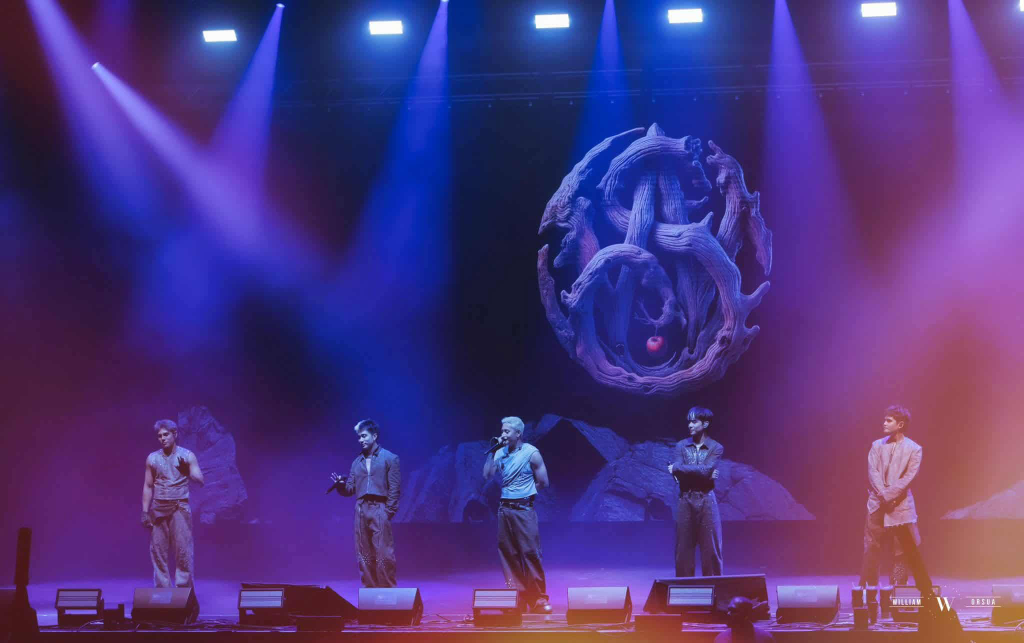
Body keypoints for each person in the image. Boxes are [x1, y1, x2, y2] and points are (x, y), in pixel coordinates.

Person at [859, 405, 934, 597]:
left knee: (902, 551)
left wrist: (890, 496)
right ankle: (869, 593)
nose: (884, 423)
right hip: (877, 504)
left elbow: (909, 477)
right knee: (871, 548)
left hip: (900, 506)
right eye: (884, 419)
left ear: (900, 425)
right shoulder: (876, 445)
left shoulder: (914, 449)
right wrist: (883, 496)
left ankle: (898, 593)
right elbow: (872, 472)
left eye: (888, 420)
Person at [482, 416, 552, 613]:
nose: (503, 434)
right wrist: (492, 452)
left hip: (523, 509)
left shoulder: (531, 453)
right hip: (504, 509)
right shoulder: (500, 452)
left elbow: (543, 482)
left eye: (507, 431)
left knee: (530, 553)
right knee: (508, 554)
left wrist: (525, 493)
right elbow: (487, 475)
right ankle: (517, 597)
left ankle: (538, 598)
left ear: (518, 433)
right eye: (502, 431)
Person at [330, 419, 401, 588]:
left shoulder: (390, 458)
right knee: (364, 553)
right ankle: (370, 591)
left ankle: (387, 591)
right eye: (359, 437)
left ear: (374, 436)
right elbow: (350, 489)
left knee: (384, 553)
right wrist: (340, 485)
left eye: (364, 436)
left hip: (380, 508)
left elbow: (395, 488)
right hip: (361, 509)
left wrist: (388, 512)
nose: (360, 440)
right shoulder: (357, 462)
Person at [142, 419, 204, 588]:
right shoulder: (152, 458)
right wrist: (145, 511)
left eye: (166, 434)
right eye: (159, 436)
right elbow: (148, 486)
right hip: (158, 508)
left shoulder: (187, 455)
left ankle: (183, 592)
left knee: (183, 550)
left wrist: (188, 472)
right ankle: (162, 590)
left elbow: (200, 480)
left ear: (175, 434)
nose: (162, 438)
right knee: (158, 551)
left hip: (179, 507)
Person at [668, 406, 724, 577]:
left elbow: (706, 470)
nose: (690, 425)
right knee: (683, 550)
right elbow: (704, 472)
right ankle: (684, 589)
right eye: (689, 422)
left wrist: (678, 468)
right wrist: (704, 472)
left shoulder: (716, 447)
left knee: (711, 550)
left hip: (707, 500)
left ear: (705, 424)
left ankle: (714, 588)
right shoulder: (681, 446)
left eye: (694, 422)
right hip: (685, 499)